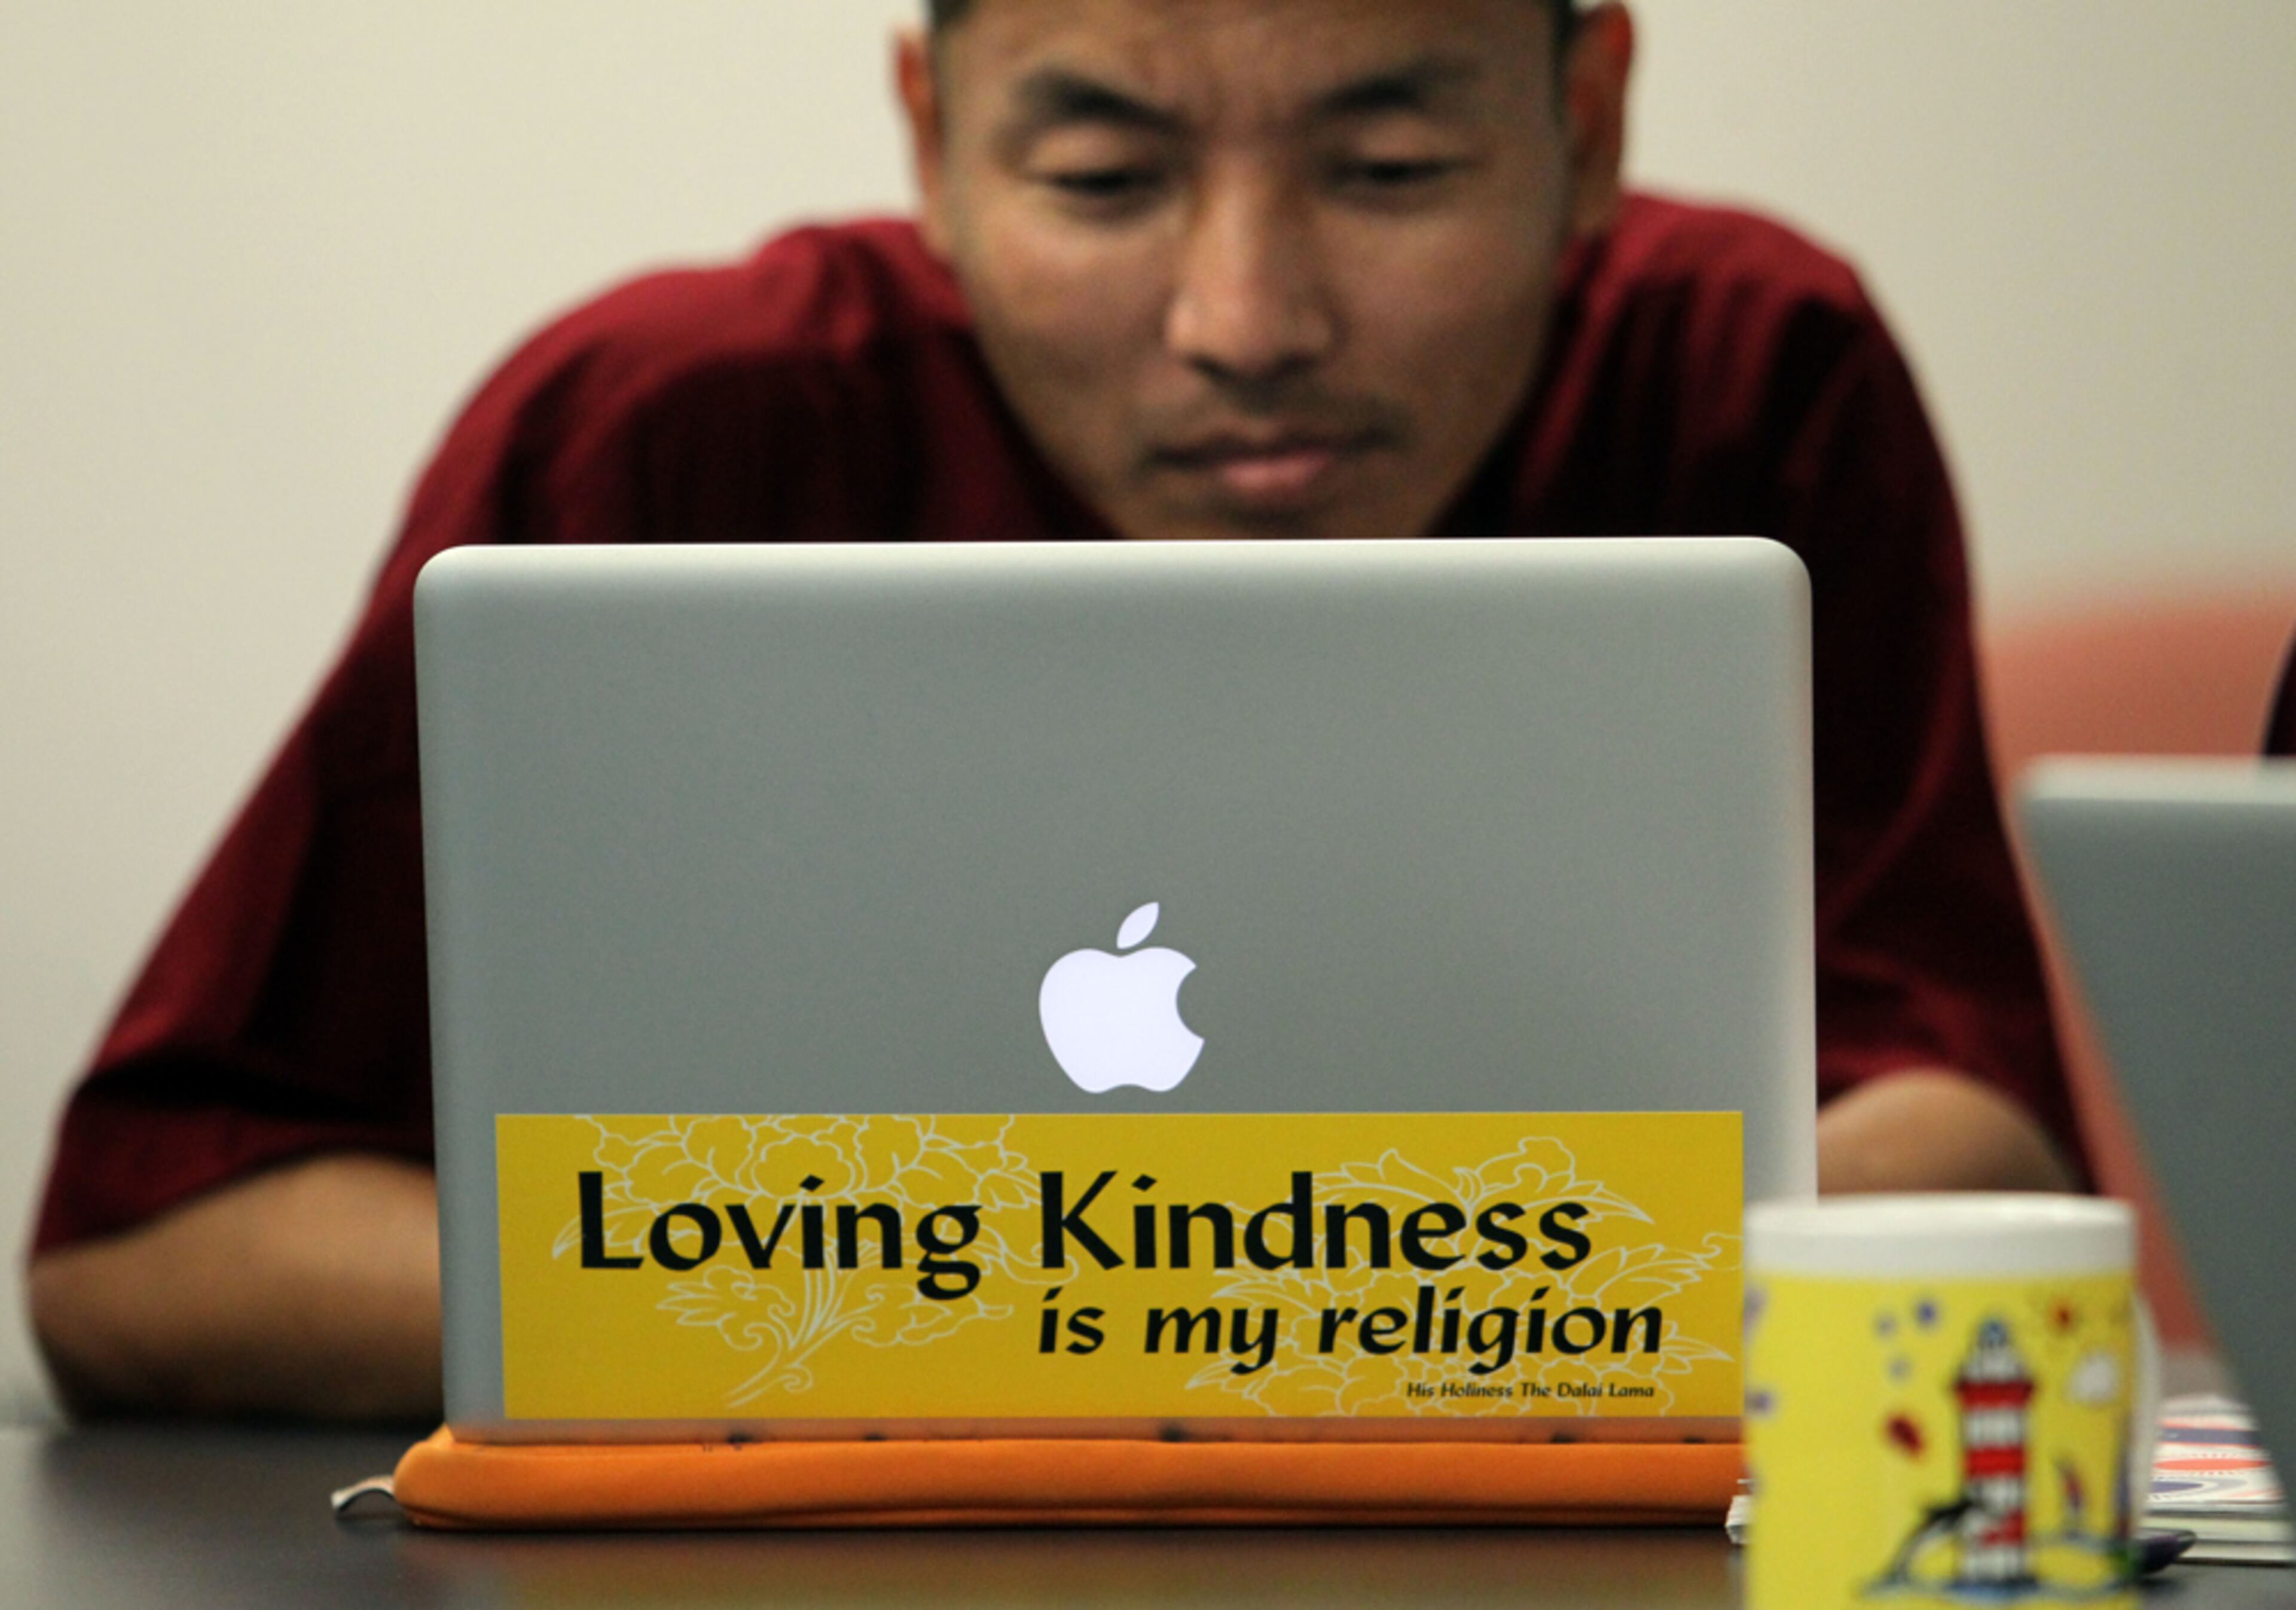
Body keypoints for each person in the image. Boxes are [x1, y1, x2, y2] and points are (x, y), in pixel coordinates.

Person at [25, 0, 2083, 1422]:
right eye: (1103, 180)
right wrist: (1154, 1296)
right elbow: (149, 1253)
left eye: (1389, 167)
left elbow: (1961, 1137)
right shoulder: (666, 438)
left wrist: (898, 1290)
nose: (1246, 321)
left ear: (1592, 122)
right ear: (933, 140)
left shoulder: (1748, 381)